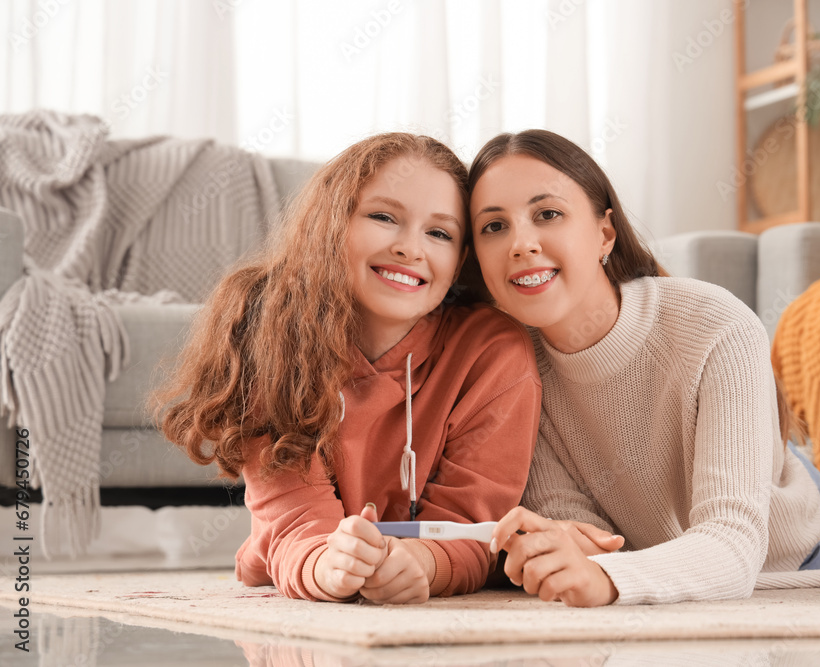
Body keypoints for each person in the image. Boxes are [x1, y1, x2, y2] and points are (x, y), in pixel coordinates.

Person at [152, 133, 543, 604]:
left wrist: (423, 563)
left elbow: (472, 522)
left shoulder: (493, 351)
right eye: (384, 217)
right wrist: (328, 564)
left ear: (460, 260)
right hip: (304, 550)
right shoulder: (271, 328)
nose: (410, 249)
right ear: (332, 223)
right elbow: (293, 516)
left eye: (439, 233)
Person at [469, 129, 820, 607]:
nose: (521, 244)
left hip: (789, 522)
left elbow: (734, 544)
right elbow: (586, 535)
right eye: (494, 226)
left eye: (548, 214)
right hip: (661, 522)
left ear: (605, 234)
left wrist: (605, 577)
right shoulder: (510, 366)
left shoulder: (718, 324)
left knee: (765, 473)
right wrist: (568, 546)